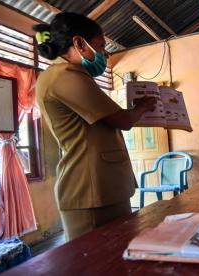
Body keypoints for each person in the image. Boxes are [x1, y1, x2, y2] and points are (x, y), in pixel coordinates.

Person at [34, 13, 157, 241]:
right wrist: (143, 106)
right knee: (95, 263)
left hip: (101, 186)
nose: (105, 55)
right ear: (80, 43)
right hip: (88, 190)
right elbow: (123, 120)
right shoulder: (63, 76)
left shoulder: (75, 76)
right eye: (101, 47)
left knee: (117, 258)